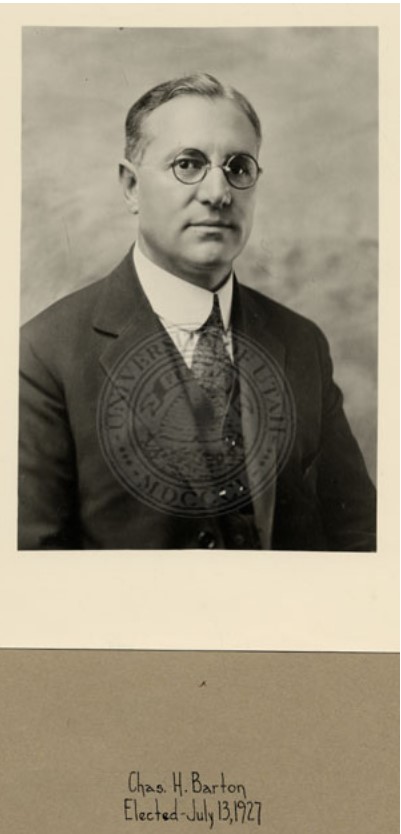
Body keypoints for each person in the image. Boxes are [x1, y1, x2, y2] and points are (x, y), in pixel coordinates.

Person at [18, 73, 376, 551]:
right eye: (188, 164)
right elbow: (34, 570)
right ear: (131, 186)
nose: (218, 193)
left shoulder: (301, 342)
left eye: (238, 167)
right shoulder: (42, 355)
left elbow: (360, 539)